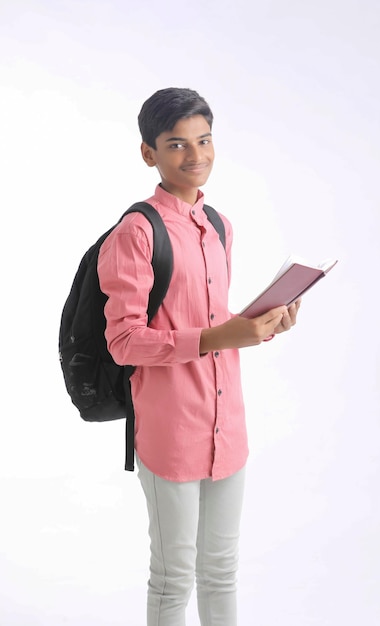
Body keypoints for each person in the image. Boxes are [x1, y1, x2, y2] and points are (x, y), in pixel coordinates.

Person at [97, 87, 301, 626]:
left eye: (205, 140)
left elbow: (214, 320)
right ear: (150, 154)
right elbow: (123, 342)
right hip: (170, 430)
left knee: (222, 569)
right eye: (177, 144)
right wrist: (215, 338)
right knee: (172, 578)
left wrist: (263, 325)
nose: (196, 156)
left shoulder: (219, 226)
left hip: (226, 424)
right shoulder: (136, 233)